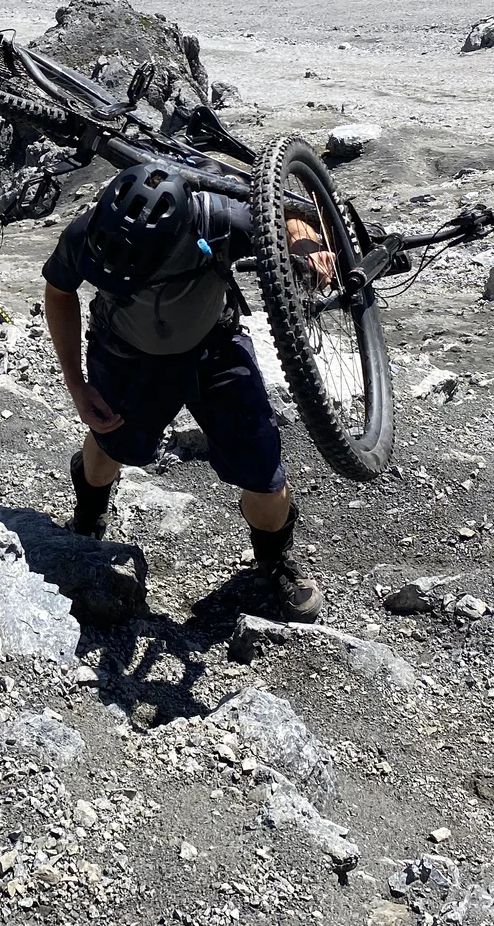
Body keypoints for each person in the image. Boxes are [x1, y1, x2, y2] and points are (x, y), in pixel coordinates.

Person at [41, 164, 327, 622]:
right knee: (114, 445)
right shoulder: (89, 231)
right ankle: (90, 510)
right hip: (126, 354)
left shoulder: (218, 218)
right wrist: (77, 385)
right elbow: (59, 290)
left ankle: (274, 561)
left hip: (215, 347)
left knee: (264, 475)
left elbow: (288, 213)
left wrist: (304, 244)